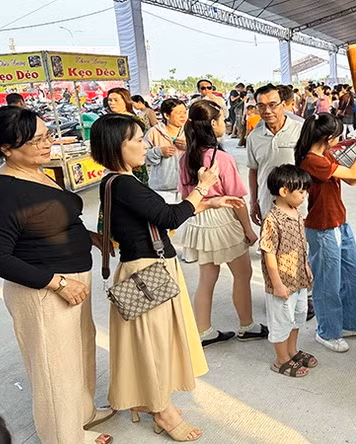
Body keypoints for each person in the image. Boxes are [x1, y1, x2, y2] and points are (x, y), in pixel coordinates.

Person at [91, 113, 242, 442]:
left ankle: (150, 401)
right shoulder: (125, 184)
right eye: (138, 140)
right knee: (156, 345)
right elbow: (169, 216)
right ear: (117, 146)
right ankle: (161, 410)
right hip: (147, 271)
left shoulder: (116, 181)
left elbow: (160, 218)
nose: (146, 146)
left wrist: (208, 203)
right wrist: (203, 187)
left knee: (152, 343)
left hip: (145, 267)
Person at [0, 106, 113, 444]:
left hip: (71, 279)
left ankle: (81, 414)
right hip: (44, 290)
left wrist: (89, 237)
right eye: (36, 140)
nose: (47, 144)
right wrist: (58, 283)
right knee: (55, 370)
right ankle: (64, 437)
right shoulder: (6, 191)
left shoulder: (36, 171)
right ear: (7, 148)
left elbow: (47, 219)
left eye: (47, 135)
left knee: (79, 353)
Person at [178, 100, 266, 347]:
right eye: (221, 119)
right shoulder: (222, 158)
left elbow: (185, 196)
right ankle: (247, 325)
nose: (224, 124)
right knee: (243, 274)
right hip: (224, 220)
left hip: (199, 218)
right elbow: (236, 200)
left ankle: (203, 330)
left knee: (207, 277)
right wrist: (248, 230)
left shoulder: (185, 157)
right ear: (213, 124)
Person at [295, 114, 356, 352]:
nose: (339, 139)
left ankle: (354, 322)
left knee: (353, 275)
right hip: (322, 227)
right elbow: (351, 174)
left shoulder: (325, 155)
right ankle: (327, 331)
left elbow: (352, 179)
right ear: (327, 137)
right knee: (327, 282)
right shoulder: (311, 161)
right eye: (337, 136)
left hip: (339, 222)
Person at [259, 164, 317, 376]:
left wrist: (306, 266)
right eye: (301, 191)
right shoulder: (272, 220)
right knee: (281, 320)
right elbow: (269, 253)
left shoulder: (296, 212)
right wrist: (277, 284)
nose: (304, 195)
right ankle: (281, 359)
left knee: (297, 316)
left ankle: (292, 351)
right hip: (282, 282)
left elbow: (301, 244)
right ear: (284, 191)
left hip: (298, 278)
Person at [247, 83, 305, 225]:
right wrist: (253, 202)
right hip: (267, 205)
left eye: (272, 105)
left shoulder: (301, 131)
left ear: (283, 105)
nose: (267, 111)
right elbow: (254, 171)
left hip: (298, 207)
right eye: (261, 106)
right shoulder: (254, 137)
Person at [145, 98, 187, 202]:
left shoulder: (190, 131)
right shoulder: (154, 132)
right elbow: (141, 155)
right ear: (166, 115)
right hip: (161, 190)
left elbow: (203, 153)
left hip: (186, 188)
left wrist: (189, 147)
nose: (183, 116)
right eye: (179, 113)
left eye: (184, 112)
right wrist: (158, 152)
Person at [107, 87, 149, 185]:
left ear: (125, 101)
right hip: (115, 161)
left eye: (116, 100)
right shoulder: (109, 120)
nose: (112, 103)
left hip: (133, 161)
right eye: (110, 100)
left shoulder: (134, 120)